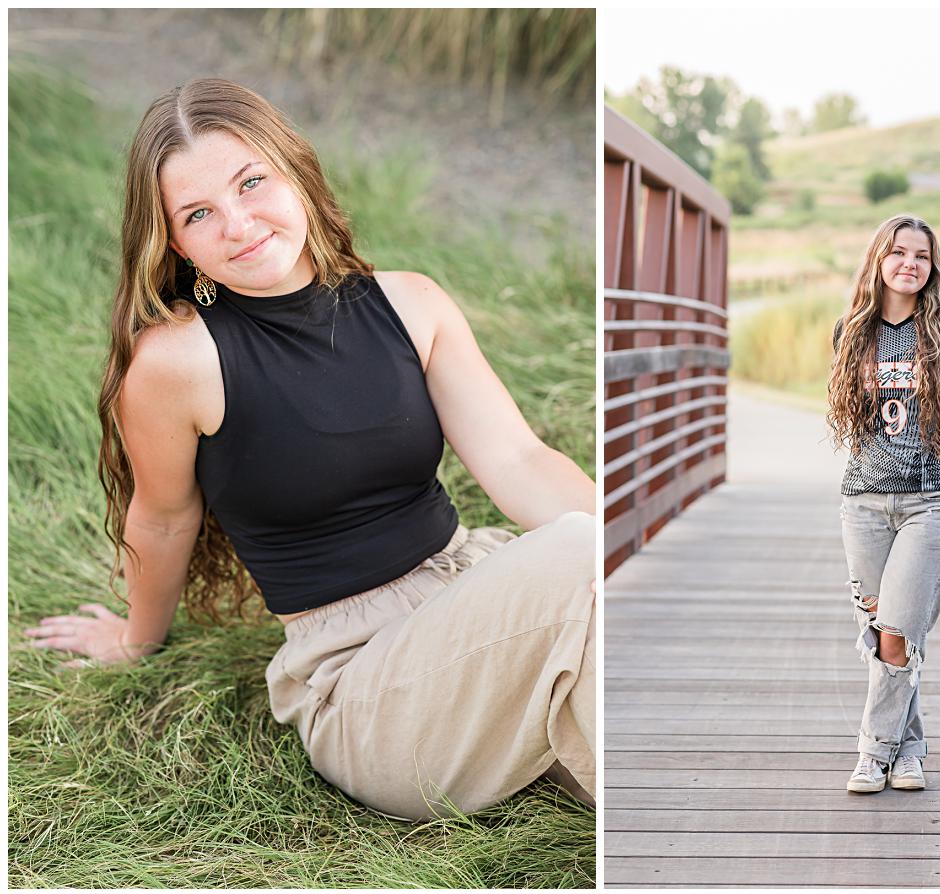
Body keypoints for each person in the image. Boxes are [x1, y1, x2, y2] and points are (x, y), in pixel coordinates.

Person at [23, 79, 597, 820]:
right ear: (176, 244)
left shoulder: (412, 304)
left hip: (472, 599)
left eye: (251, 181)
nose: (238, 223)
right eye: (198, 213)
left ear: (294, 170)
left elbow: (520, 461)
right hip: (360, 683)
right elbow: (162, 518)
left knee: (618, 668)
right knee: (581, 552)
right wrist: (136, 638)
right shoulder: (177, 364)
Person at [827, 214, 940, 793]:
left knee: (897, 630)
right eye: (897, 253)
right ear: (878, 261)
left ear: (932, 266)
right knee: (885, 631)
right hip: (864, 502)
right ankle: (910, 750)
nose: (909, 263)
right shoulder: (851, 331)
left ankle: (871, 753)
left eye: (921, 255)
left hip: (932, 500)